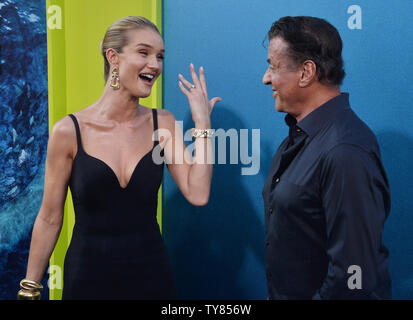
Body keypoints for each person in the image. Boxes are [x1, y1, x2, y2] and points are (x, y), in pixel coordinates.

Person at [18, 16, 221, 300]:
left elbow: (198, 193)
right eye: (144, 52)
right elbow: (50, 217)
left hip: (152, 277)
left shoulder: (162, 124)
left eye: (160, 56)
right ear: (113, 57)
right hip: (87, 278)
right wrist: (30, 287)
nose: (155, 65)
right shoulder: (69, 131)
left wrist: (202, 125)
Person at [261, 16, 391, 299]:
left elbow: (353, 277)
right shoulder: (298, 139)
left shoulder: (344, 150)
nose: (266, 77)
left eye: (273, 66)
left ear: (307, 72)